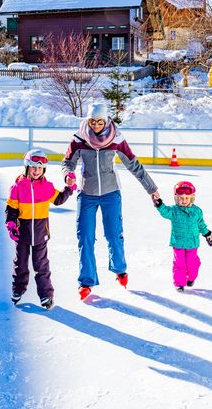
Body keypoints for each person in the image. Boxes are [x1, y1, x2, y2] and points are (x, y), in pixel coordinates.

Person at [62, 102, 160, 300]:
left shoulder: (116, 138)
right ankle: (86, 281)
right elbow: (67, 162)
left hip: (111, 193)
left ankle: (119, 269)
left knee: (114, 234)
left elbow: (133, 164)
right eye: (92, 121)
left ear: (106, 120)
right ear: (87, 120)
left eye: (99, 121)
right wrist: (68, 175)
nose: (96, 125)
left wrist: (152, 189)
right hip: (86, 193)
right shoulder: (79, 138)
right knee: (85, 237)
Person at [5, 149, 74, 309]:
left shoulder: (47, 187)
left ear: (44, 169)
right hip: (22, 233)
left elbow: (58, 200)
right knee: (20, 264)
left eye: (40, 168)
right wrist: (11, 223)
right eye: (33, 167)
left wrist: (69, 188)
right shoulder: (17, 187)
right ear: (27, 167)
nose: (36, 171)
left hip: (41, 232)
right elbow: (12, 208)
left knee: (41, 265)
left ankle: (46, 295)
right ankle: (18, 289)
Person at [153, 181, 212, 291]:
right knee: (179, 264)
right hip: (178, 243)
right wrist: (159, 205)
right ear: (176, 198)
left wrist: (207, 234)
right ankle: (179, 283)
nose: (184, 201)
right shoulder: (174, 211)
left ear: (192, 198)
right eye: (181, 198)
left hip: (192, 243)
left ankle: (191, 278)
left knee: (193, 263)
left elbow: (201, 224)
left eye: (187, 198)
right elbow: (165, 212)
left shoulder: (197, 211)